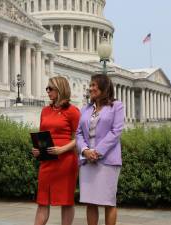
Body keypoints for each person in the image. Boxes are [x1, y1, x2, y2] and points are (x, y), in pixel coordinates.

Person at [76, 74, 124, 225]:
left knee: (108, 202)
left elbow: (116, 131)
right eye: (90, 86)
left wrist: (97, 152)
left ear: (104, 87)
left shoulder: (117, 106)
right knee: (90, 202)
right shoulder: (85, 108)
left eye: (94, 85)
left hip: (107, 161)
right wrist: (85, 150)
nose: (90, 88)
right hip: (87, 161)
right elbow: (78, 133)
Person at [31, 76, 80, 225]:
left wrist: (62, 149)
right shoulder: (45, 111)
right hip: (46, 161)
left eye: (50, 88)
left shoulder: (73, 111)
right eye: (47, 88)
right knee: (42, 200)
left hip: (65, 161)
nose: (47, 91)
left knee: (66, 201)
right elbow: (42, 134)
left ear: (60, 89)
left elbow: (80, 137)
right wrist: (37, 149)